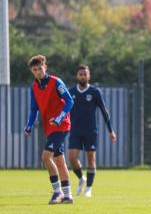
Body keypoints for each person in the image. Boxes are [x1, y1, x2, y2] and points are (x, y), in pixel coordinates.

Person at [24, 55, 74, 204]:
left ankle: (57, 192)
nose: (38, 71)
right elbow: (34, 109)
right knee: (59, 161)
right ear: (32, 71)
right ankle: (68, 196)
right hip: (49, 127)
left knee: (46, 157)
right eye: (35, 69)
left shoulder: (56, 82)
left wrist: (59, 118)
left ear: (45, 67)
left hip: (62, 125)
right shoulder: (34, 87)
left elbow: (70, 101)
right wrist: (29, 125)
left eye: (40, 68)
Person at [68, 66, 116, 197]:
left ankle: (88, 188)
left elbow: (104, 111)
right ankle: (81, 178)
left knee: (91, 159)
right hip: (75, 130)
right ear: (77, 76)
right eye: (80, 74)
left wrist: (110, 130)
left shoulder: (95, 91)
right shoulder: (70, 91)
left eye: (85, 74)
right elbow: (63, 109)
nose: (82, 76)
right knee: (72, 157)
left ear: (89, 76)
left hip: (90, 130)